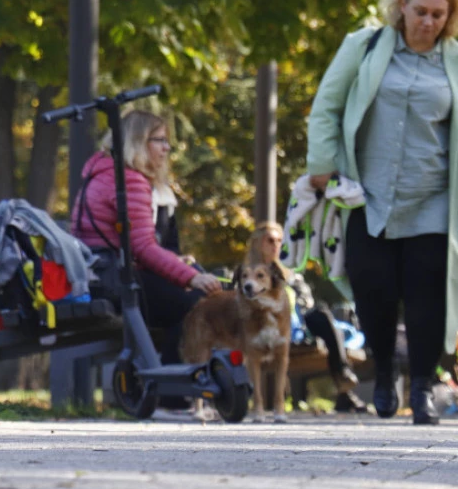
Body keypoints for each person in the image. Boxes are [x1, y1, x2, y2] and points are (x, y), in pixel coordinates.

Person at [307, 0, 458, 425]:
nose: (427, 22)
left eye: (438, 14)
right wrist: (321, 166)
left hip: (432, 199)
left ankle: (423, 386)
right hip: (364, 196)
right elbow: (326, 106)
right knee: (374, 290)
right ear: (402, 6)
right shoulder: (365, 46)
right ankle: (386, 369)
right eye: (420, 11)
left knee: (426, 294)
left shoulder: (454, 61)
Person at [71, 109, 222, 413]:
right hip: (118, 284)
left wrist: (179, 266)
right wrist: (190, 277)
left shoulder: (99, 172)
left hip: (99, 275)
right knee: (196, 300)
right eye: (160, 140)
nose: (167, 148)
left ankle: (172, 391)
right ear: (138, 141)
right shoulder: (129, 181)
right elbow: (142, 246)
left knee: (187, 289)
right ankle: (171, 399)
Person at [249, 221, 368, 414]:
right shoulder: (249, 274)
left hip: (299, 323)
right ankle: (344, 387)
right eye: (269, 240)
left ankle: (343, 378)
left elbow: (306, 302)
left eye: (280, 241)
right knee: (322, 321)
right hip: (267, 325)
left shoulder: (290, 273)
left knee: (321, 314)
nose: (275, 245)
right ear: (257, 244)